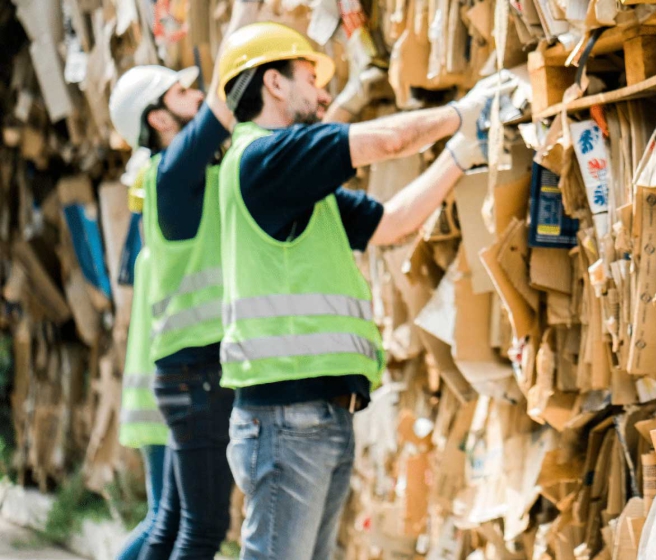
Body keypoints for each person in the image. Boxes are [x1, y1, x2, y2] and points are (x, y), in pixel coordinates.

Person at [214, 21, 506, 560]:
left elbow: (391, 223)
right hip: (288, 416)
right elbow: (390, 142)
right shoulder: (264, 159)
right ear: (274, 84)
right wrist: (466, 110)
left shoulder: (295, 187)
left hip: (318, 413)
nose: (325, 94)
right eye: (311, 77)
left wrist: (461, 154)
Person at [107, 2, 261, 558]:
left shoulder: (184, 174)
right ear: (159, 119)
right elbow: (222, 99)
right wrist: (247, 12)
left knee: (172, 522)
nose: (195, 98)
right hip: (196, 373)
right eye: (180, 95)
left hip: (192, 370)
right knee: (201, 529)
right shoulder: (173, 173)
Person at [115, 173, 175, 560]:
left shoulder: (147, 257)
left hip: (152, 406)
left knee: (164, 517)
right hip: (164, 407)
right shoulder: (161, 260)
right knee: (165, 519)